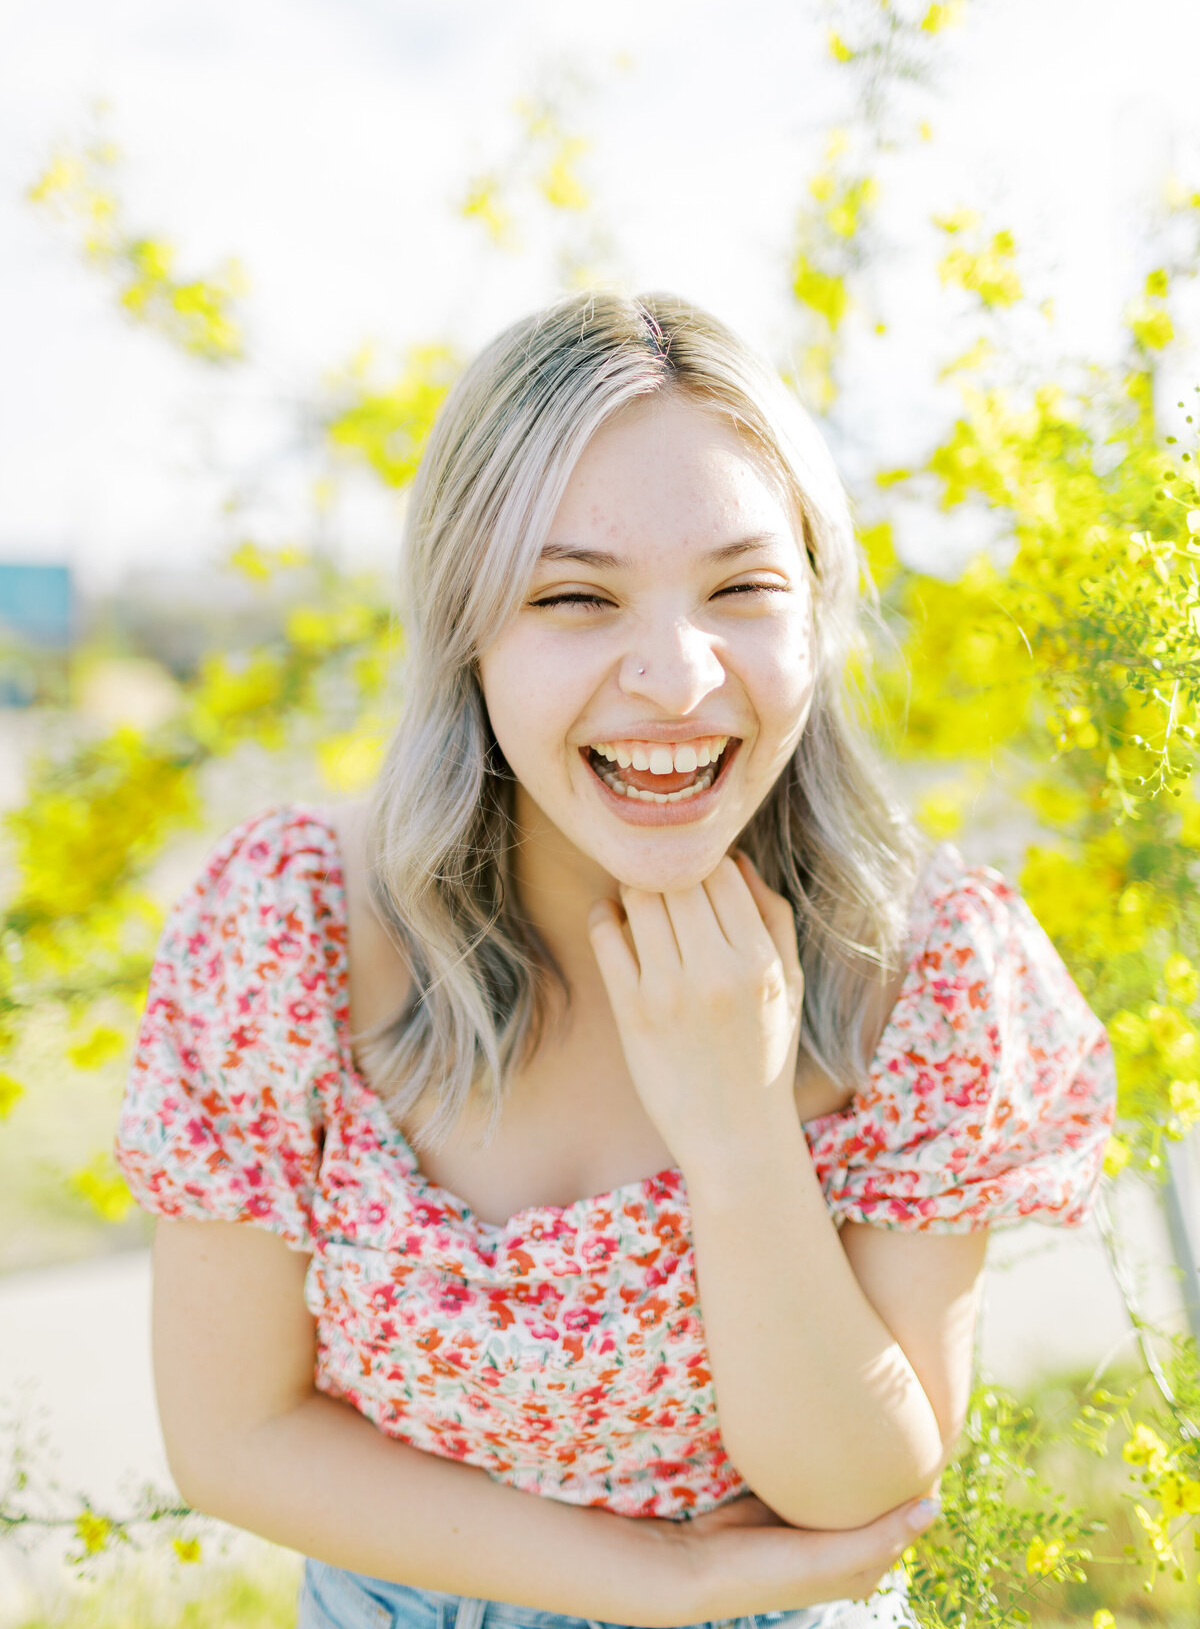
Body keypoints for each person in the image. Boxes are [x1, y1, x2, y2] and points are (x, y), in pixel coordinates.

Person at [114, 291, 1117, 1629]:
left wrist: (737, 1124)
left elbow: (861, 1491)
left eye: (742, 590)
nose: (677, 675)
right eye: (575, 596)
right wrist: (668, 1579)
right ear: (467, 631)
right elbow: (232, 1435)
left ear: (816, 616)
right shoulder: (287, 931)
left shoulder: (925, 965)